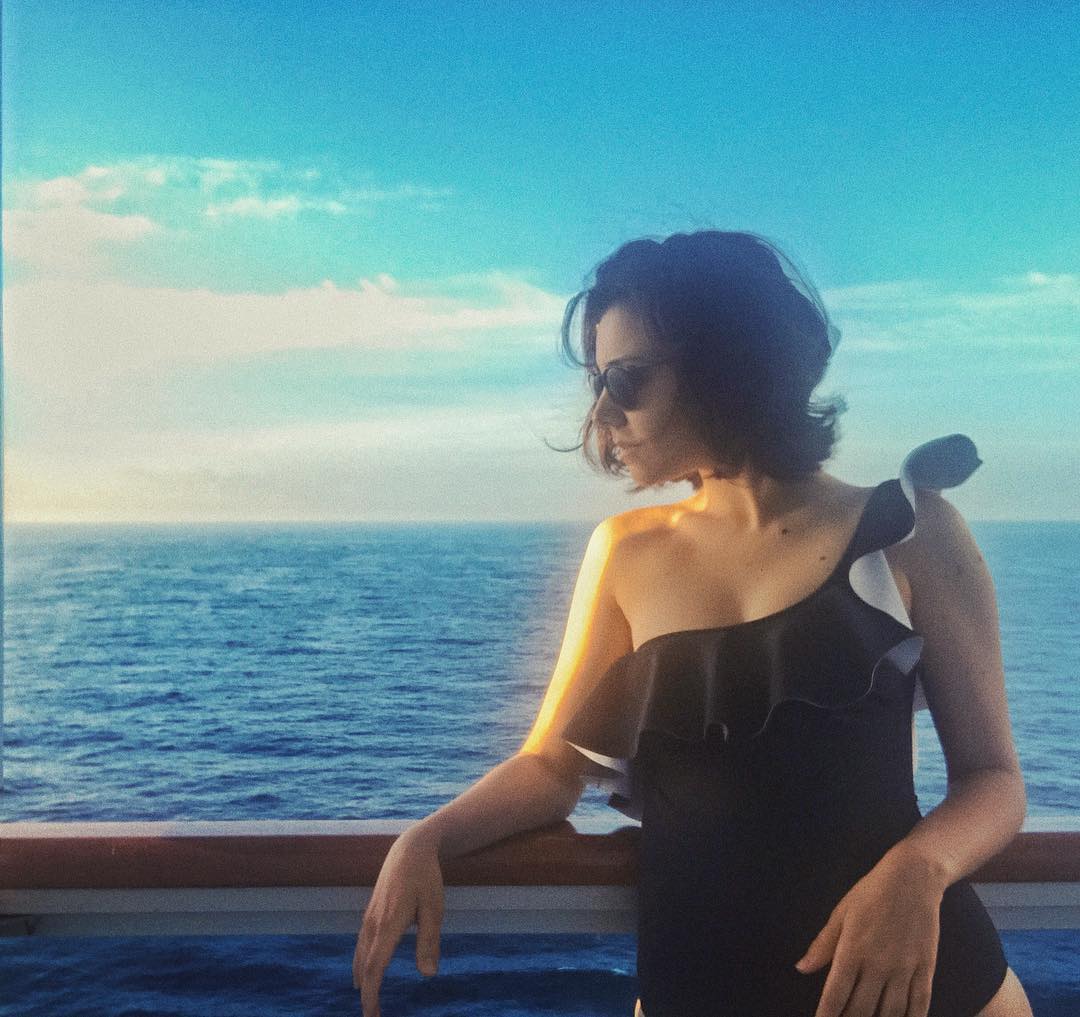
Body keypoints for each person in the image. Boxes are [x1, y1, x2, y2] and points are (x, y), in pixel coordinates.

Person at [353, 230, 1033, 1017]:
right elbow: (552, 766)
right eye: (598, 381)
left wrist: (920, 869)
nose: (603, 411)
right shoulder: (624, 553)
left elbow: (994, 778)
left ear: (728, 363)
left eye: (628, 378)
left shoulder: (912, 530)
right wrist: (427, 837)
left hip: (923, 993)